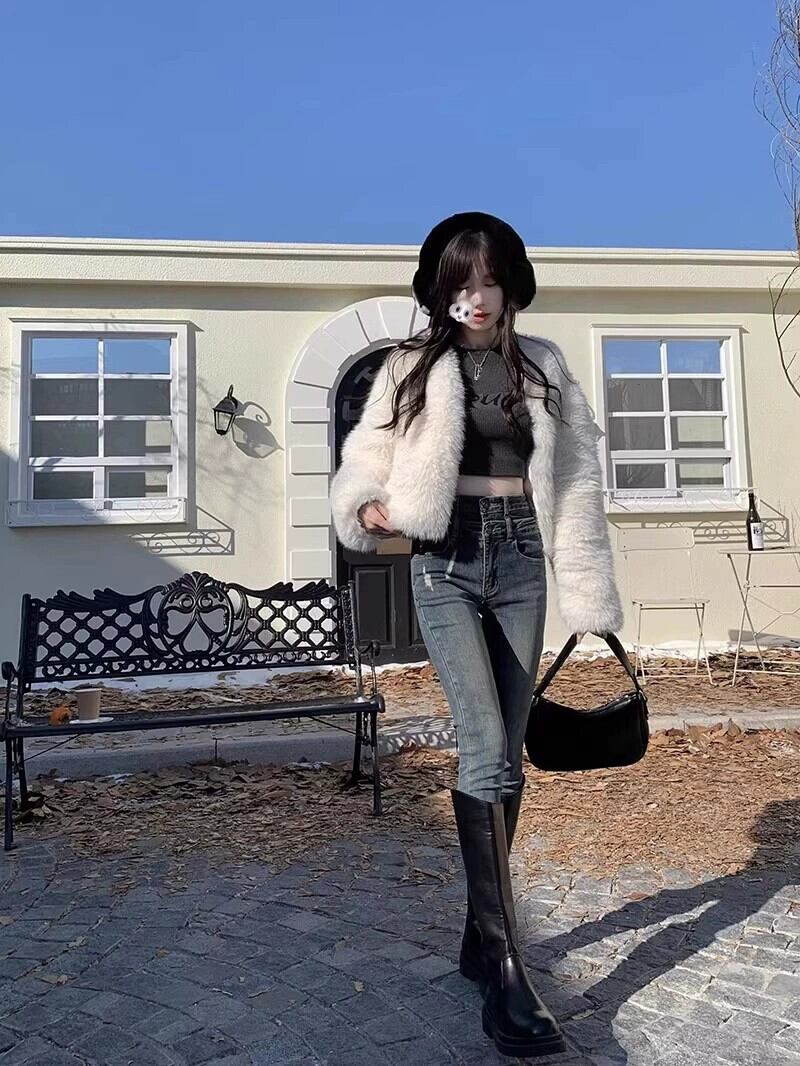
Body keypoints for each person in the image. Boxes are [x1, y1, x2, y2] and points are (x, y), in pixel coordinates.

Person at [329, 211, 624, 1059]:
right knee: (485, 744)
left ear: (512, 282)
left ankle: (477, 933)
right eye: (462, 282)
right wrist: (366, 505)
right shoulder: (410, 367)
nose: (478, 296)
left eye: (491, 279)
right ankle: (504, 968)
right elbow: (367, 455)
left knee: (511, 751)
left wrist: (587, 585)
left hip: (522, 557)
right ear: (440, 290)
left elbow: (575, 475)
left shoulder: (543, 365)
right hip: (445, 561)